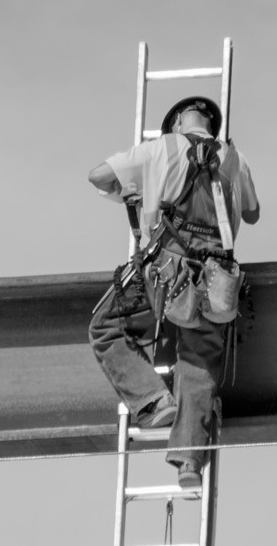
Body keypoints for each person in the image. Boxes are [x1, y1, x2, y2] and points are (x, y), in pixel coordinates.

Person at [87, 96, 260, 487]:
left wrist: (137, 191)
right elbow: (252, 213)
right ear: (211, 124)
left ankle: (152, 400)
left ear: (179, 120)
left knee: (105, 326)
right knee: (199, 361)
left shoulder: (160, 149)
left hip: (166, 273)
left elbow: (98, 176)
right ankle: (188, 462)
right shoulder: (235, 158)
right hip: (217, 279)